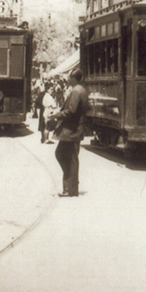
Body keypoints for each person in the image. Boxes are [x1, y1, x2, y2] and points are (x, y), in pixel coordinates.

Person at [47, 69, 89, 197]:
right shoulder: (81, 90)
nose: (68, 79)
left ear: (74, 78)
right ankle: (71, 186)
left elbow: (71, 111)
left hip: (71, 131)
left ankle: (70, 188)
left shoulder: (76, 91)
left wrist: (56, 115)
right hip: (75, 130)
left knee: (64, 156)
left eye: (70, 77)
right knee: (69, 158)